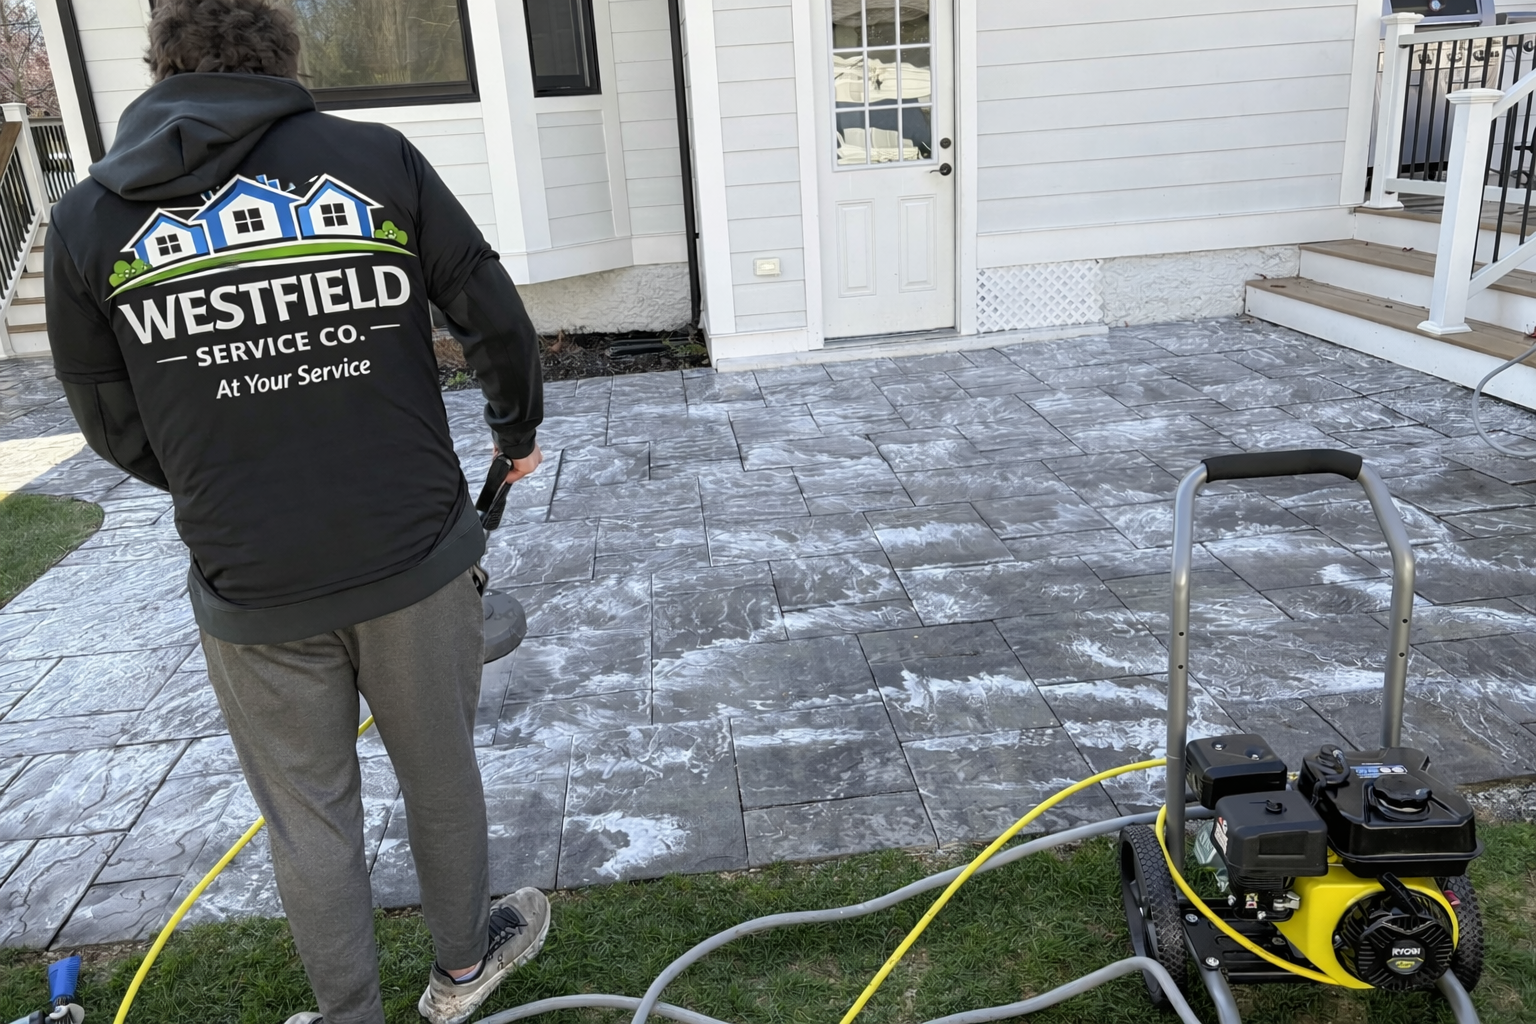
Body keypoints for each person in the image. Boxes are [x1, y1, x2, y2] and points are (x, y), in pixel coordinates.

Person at [44, 2, 547, 1022]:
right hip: (410, 548)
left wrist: (216, 483)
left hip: (250, 578)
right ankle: (459, 974)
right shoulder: (375, 159)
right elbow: (491, 310)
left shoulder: (90, 216)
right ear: (281, 60)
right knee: (438, 772)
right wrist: (514, 427)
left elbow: (107, 420)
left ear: (159, 67)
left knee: (307, 816)